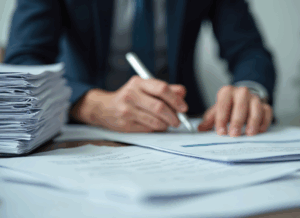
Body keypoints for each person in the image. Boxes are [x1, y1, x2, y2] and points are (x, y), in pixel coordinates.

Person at [4, 0, 275, 137]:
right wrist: (88, 105)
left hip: (182, 127)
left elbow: (249, 50)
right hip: (79, 127)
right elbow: (24, 60)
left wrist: (249, 89)